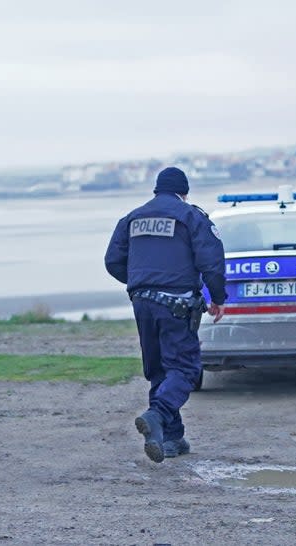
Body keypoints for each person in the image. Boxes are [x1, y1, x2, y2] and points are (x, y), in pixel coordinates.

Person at [104, 167, 227, 463]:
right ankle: (157, 415)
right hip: (176, 304)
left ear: (156, 189)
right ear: (184, 192)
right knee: (185, 368)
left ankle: (171, 438)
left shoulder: (132, 218)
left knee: (160, 369)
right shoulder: (191, 216)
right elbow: (211, 261)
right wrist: (218, 298)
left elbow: (112, 261)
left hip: (142, 302)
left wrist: (142, 280)